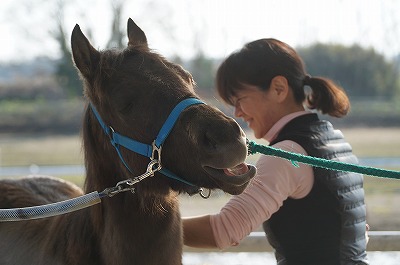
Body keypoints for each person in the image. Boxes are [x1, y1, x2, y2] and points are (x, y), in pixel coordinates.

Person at [183, 38, 369, 265]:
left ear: (279, 89)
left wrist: (143, 225)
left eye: (240, 100)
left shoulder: (287, 154)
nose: (237, 113)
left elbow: (223, 230)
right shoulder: (337, 141)